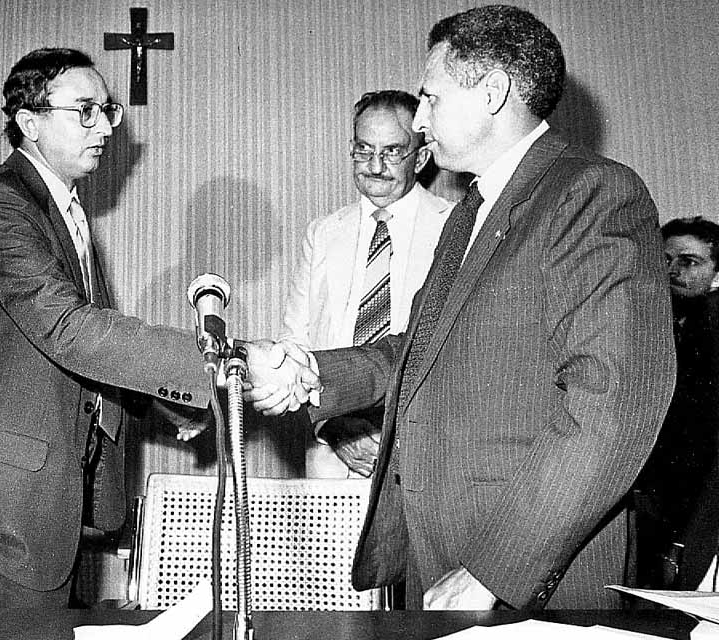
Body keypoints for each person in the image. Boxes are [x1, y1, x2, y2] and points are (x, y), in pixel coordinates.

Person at [245, 4, 674, 610]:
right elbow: (417, 350)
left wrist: (496, 569)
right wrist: (314, 371)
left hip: (523, 567)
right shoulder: (472, 210)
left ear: (493, 92)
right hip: (441, 551)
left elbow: (614, 402)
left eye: (431, 98)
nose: (420, 120)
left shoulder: (591, 192)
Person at [0, 48, 288, 608]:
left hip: (58, 486)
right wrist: (229, 356)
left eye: (106, 110)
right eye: (85, 111)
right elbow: (71, 331)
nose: (104, 127)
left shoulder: (62, 207)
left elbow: (91, 346)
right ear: (29, 123)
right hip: (12, 493)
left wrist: (169, 403)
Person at [281, 90, 451, 479]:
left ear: (420, 158)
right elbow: (295, 345)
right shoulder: (323, 233)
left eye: (392, 152)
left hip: (422, 455)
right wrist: (333, 427)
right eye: (364, 149)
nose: (375, 166)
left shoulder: (454, 227)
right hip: (331, 455)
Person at [633, 216, 719, 589]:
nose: (672, 271)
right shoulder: (654, 319)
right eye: (665, 259)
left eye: (689, 262)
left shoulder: (710, 323)